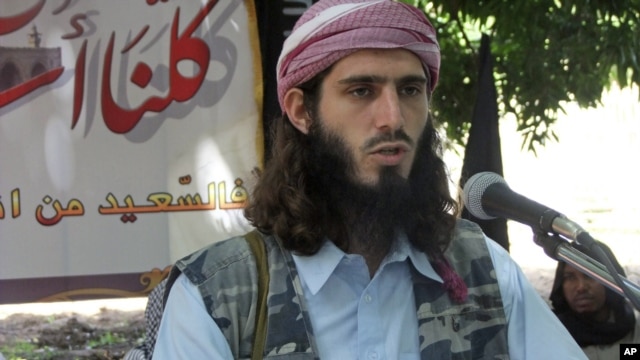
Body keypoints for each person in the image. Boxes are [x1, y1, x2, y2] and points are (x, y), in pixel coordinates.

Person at [151, 0, 586, 358]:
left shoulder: (484, 272)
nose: (393, 118)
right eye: (362, 91)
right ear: (302, 111)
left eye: (411, 91)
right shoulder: (216, 296)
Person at [550, 244, 640, 359]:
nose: (581, 287)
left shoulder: (634, 331)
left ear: (611, 281)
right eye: (570, 277)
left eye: (589, 275)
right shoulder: (550, 334)